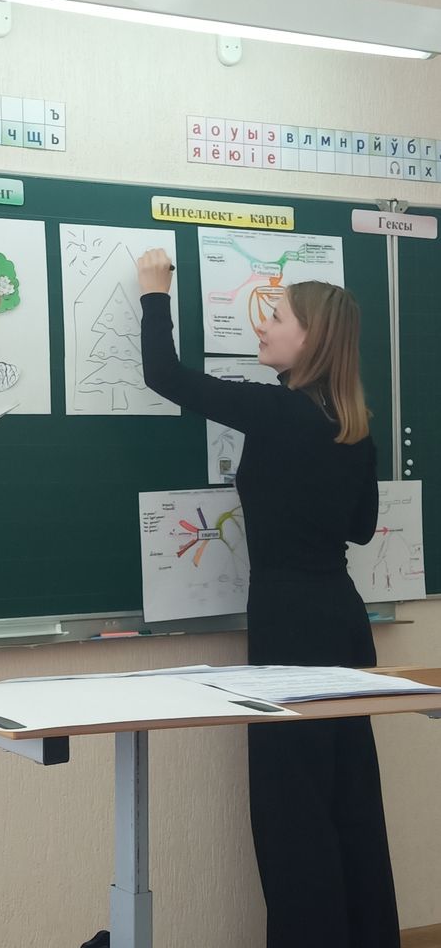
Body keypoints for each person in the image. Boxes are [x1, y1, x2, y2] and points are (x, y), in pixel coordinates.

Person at [137, 249, 399, 948]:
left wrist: (154, 293)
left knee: (292, 813)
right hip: (342, 622)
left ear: (310, 338)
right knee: (349, 801)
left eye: (276, 317)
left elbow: (164, 375)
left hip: (290, 625)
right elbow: (361, 527)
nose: (262, 326)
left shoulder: (277, 412)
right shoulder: (353, 425)